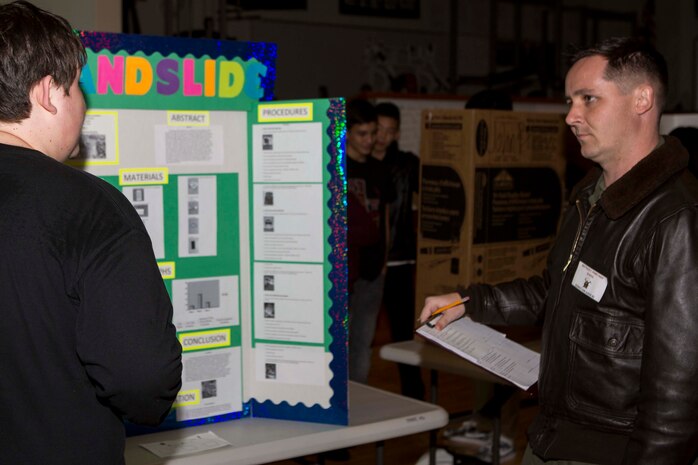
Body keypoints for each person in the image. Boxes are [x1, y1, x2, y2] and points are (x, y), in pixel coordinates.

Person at [419, 36, 698, 465]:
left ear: (641, 99)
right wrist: (470, 302)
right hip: (553, 437)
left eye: (589, 99)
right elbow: (555, 289)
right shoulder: (592, 191)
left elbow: (678, 391)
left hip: (611, 452)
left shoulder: (676, 217)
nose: (571, 116)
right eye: (570, 100)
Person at [0, 2, 182, 464]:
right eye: (77, 85)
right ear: (46, 93)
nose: (84, 103)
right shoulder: (89, 207)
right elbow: (142, 378)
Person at [371, 102, 424, 399]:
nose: (383, 136)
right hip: (367, 263)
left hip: (401, 259)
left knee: (404, 333)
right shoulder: (356, 163)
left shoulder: (407, 164)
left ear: (397, 133)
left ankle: (414, 396)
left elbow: (435, 194)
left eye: (390, 131)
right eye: (379, 129)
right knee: (359, 334)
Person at [346, 98, 394, 383]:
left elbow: (385, 218)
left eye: (373, 133)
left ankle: (360, 403)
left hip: (374, 270)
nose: (370, 140)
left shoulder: (380, 169)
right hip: (344, 271)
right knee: (340, 342)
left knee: (363, 343)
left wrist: (385, 262)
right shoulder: (335, 168)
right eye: (362, 134)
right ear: (347, 133)